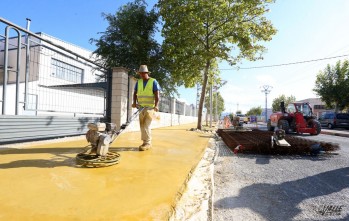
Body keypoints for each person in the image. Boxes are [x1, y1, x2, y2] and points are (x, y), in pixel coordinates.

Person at [132, 65, 161, 151]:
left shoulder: (153, 81)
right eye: (140, 73)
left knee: (146, 125)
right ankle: (144, 142)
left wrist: (156, 105)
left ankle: (148, 143)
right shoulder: (139, 82)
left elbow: (157, 95)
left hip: (150, 108)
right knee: (141, 125)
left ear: (147, 73)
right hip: (141, 107)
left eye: (143, 73)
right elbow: (135, 93)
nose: (141, 75)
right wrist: (134, 103)